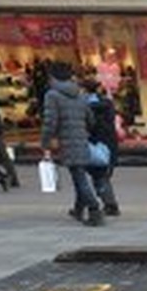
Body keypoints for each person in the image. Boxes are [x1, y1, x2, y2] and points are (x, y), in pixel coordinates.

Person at [40, 61, 102, 225]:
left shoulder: (52, 95)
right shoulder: (80, 94)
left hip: (66, 140)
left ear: (52, 77)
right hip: (81, 138)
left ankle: (94, 209)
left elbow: (50, 121)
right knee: (78, 173)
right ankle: (78, 208)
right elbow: (91, 119)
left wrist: (46, 141)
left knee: (79, 176)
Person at [83, 79, 122, 218]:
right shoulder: (107, 104)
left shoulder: (86, 107)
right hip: (109, 143)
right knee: (102, 175)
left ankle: (110, 205)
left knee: (99, 176)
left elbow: (91, 126)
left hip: (96, 144)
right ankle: (109, 204)